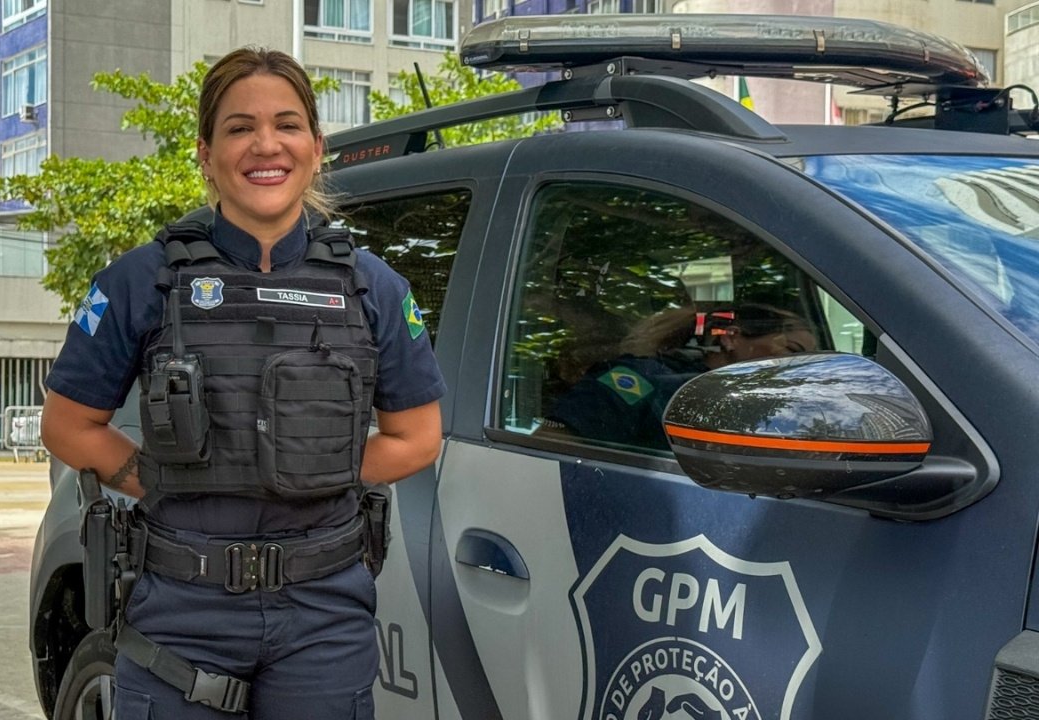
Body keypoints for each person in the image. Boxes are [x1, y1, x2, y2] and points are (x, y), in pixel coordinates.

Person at [40, 47, 445, 720]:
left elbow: (418, 436)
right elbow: (68, 424)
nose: (266, 144)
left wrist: (307, 469)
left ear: (316, 149)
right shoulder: (143, 281)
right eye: (239, 127)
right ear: (206, 152)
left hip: (323, 613)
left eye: (287, 125)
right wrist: (164, 479)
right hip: (179, 607)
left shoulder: (373, 288)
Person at [542, 303, 817, 450]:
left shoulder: (771, 410)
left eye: (809, 361)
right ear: (732, 338)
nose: (800, 369)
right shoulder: (642, 380)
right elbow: (549, 447)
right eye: (792, 351)